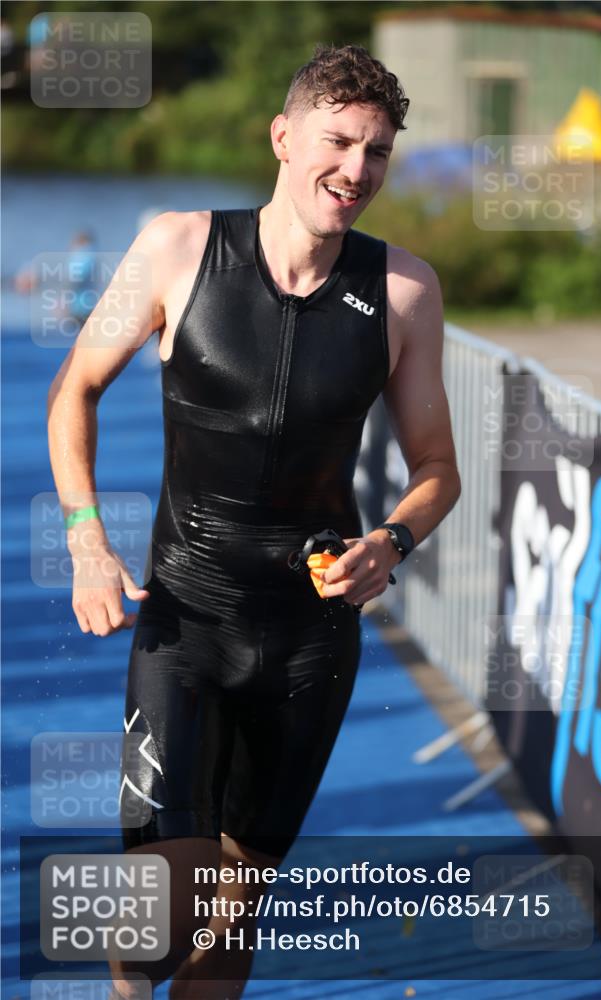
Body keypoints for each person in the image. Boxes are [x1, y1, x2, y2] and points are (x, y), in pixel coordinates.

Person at [46, 43, 461, 1000]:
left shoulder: (403, 291)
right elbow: (74, 391)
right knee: (149, 926)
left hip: (309, 644)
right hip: (184, 623)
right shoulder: (178, 246)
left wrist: (390, 542)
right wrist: (85, 541)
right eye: (338, 141)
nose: (356, 171)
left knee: (236, 910)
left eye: (378, 152)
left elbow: (436, 471)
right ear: (283, 137)